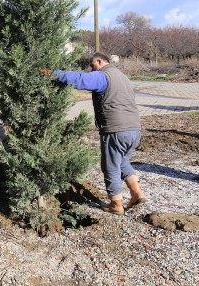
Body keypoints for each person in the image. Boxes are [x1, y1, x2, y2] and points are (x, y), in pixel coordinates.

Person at [55, 52, 147, 215]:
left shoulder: (104, 75)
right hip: (134, 130)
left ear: (99, 61)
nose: (91, 70)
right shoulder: (122, 76)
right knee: (122, 161)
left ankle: (115, 204)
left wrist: (54, 74)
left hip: (116, 129)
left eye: (92, 66)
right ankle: (137, 193)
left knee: (110, 166)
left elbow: (80, 80)